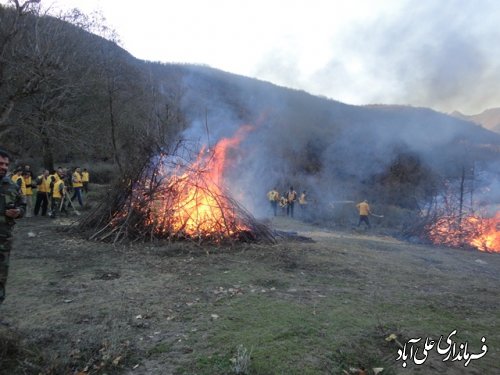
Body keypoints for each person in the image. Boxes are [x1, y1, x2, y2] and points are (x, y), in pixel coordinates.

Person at [0, 149, 26, 306]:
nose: (3, 167)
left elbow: (23, 207)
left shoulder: (13, 186)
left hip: (3, 241)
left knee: (1, 278)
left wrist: (18, 212)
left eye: (6, 164)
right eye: (0, 163)